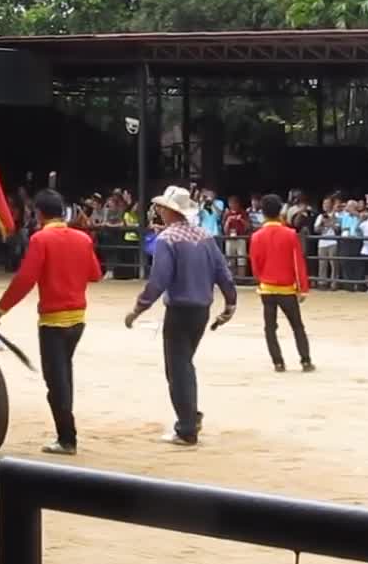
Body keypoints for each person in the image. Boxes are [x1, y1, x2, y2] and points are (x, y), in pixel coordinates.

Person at [0, 189, 102, 455]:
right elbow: (95, 274)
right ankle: (66, 433)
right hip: (78, 319)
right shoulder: (82, 238)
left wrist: (1, 307)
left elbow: (25, 279)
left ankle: (67, 438)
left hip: (53, 320)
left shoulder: (41, 239)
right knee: (65, 374)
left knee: (56, 381)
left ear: (39, 213)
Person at [125, 185, 237, 446]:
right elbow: (223, 273)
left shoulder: (168, 239)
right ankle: (190, 415)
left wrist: (138, 308)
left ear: (168, 209)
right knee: (184, 364)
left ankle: (186, 427)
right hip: (201, 309)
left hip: (179, 310)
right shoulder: (205, 236)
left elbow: (159, 280)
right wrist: (230, 304)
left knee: (177, 368)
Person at [249, 194, 313, 373]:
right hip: (287, 289)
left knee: (270, 327)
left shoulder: (256, 236)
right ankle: (305, 360)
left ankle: (278, 362)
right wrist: (303, 288)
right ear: (280, 211)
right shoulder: (290, 234)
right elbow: (297, 262)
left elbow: (255, 263)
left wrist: (260, 280)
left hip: (267, 289)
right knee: (297, 326)